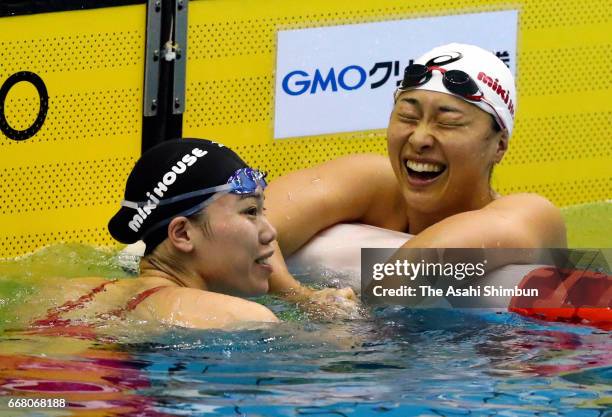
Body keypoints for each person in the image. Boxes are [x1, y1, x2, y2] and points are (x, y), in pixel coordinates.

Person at [264, 43, 567, 299]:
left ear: (499, 145)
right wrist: (301, 299)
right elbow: (251, 227)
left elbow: (414, 267)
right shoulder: (372, 182)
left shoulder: (531, 215)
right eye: (408, 116)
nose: (419, 139)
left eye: (447, 122)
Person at [25, 138, 283, 332]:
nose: (270, 232)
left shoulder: (68, 293)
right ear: (182, 234)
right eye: (250, 211)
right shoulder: (240, 318)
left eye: (263, 211)